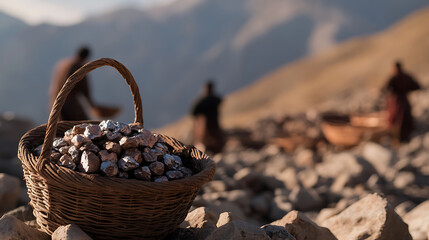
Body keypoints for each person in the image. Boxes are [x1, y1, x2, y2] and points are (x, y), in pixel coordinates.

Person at [49, 47, 120, 120]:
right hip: (68, 104)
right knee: (83, 126)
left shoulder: (62, 64)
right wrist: (93, 106)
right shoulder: (78, 68)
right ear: (86, 57)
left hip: (54, 102)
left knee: (61, 127)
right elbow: (85, 91)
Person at [384, 61, 420, 143]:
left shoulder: (394, 77)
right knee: (404, 118)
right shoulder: (406, 76)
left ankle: (397, 139)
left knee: (395, 119)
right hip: (404, 100)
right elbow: (416, 86)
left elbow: (386, 88)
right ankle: (404, 138)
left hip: (395, 102)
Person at [191, 81, 225, 154]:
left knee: (209, 140)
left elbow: (194, 112)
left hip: (210, 125)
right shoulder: (212, 99)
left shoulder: (203, 101)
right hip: (208, 125)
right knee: (211, 140)